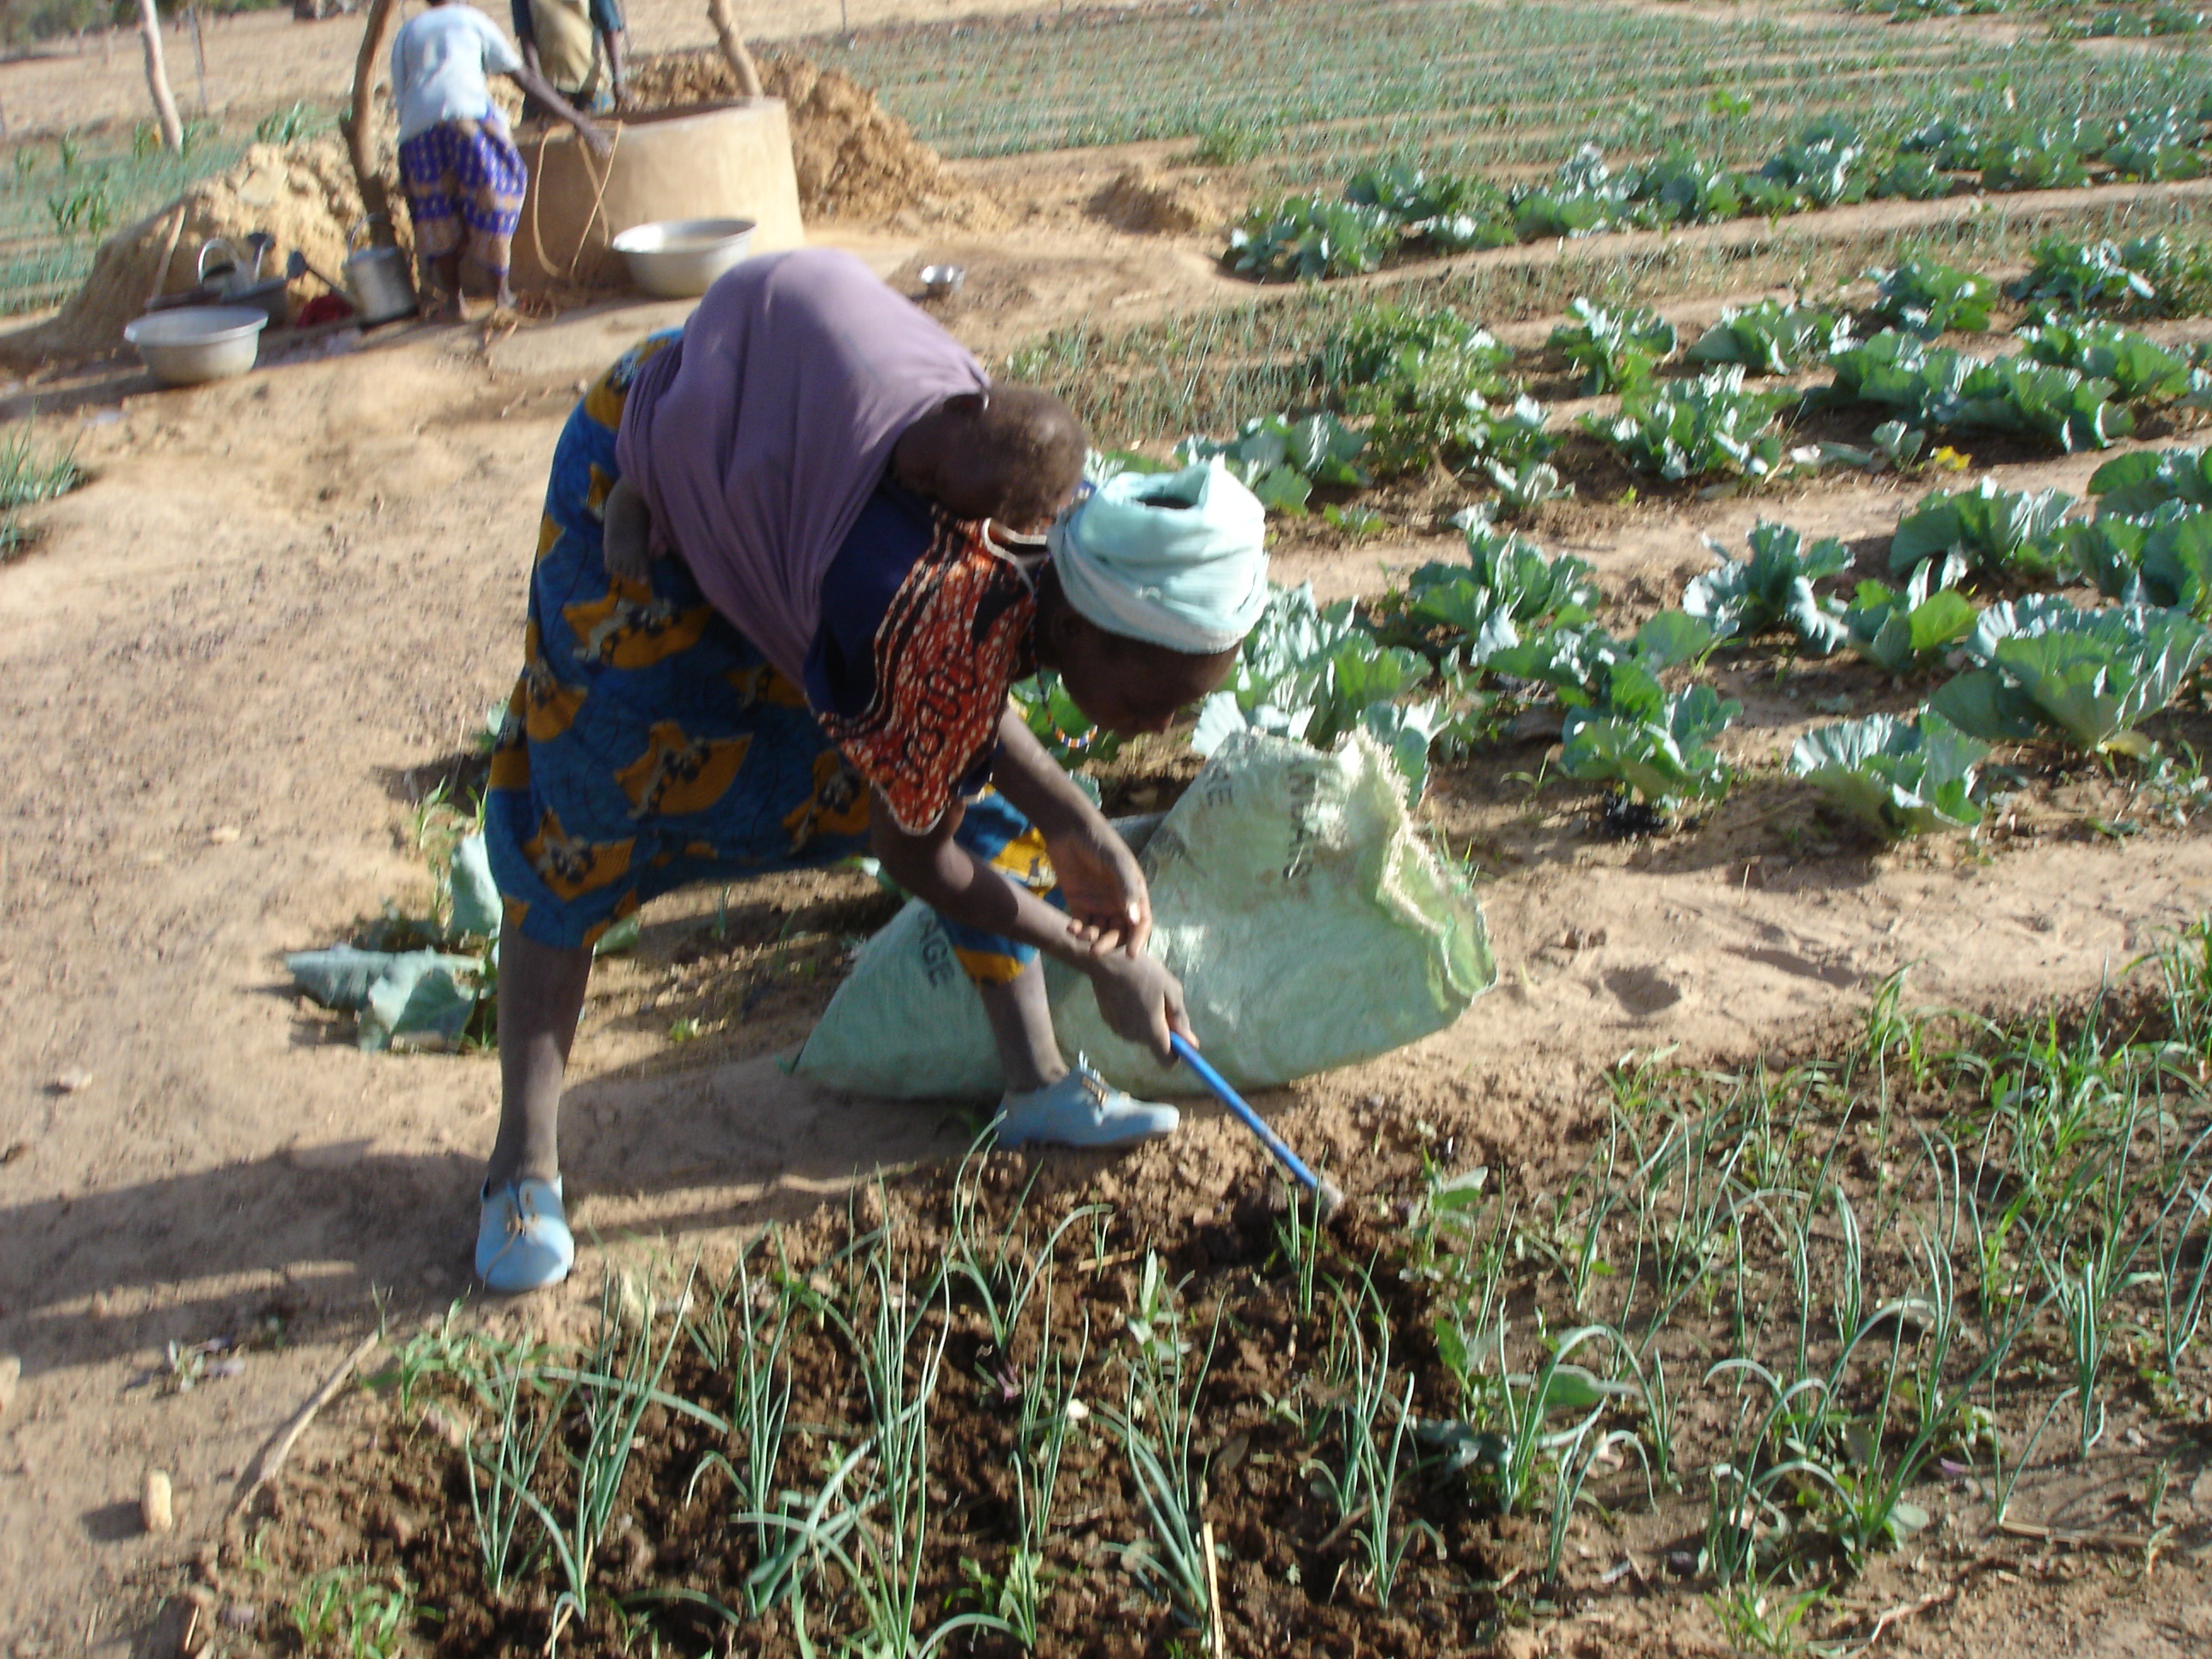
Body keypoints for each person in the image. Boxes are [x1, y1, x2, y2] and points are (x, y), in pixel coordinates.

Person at [474, 248, 1270, 1294]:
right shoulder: (929, 599)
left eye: (1181, 706)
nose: (1159, 725)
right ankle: (521, 1169)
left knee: (953, 781)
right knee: (590, 811)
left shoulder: (1046, 507)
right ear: (1079, 623)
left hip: (798, 476)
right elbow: (917, 850)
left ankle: (1036, 1083)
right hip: (682, 451)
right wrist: (1097, 960)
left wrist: (1078, 823)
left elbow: (960, 724)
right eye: (1147, 696)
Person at [389, 0, 610, 319]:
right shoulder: (470, 20)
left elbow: (402, 95)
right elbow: (525, 79)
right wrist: (579, 121)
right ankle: (501, 295)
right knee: (497, 193)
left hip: (416, 132)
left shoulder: (406, 33)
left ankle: (454, 301)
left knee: (436, 213)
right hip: (466, 117)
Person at [510, 0, 627, 116]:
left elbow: (609, 25)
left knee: (599, 125)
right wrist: (538, 87)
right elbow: (525, 34)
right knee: (535, 125)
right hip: (548, 83)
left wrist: (618, 80)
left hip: (590, 82)